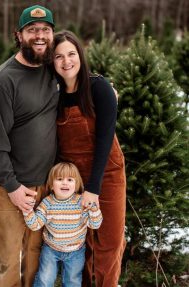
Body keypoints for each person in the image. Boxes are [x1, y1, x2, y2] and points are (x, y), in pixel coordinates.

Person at [0, 5, 59, 287]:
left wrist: (103, 87)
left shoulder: (54, 71)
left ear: (52, 35)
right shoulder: (1, 83)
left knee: (36, 263)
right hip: (6, 189)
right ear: (19, 35)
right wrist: (13, 189)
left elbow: (81, 77)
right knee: (7, 263)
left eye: (45, 30)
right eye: (32, 30)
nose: (39, 36)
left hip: (44, 188)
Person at [53, 30, 126, 287]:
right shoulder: (53, 94)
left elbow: (105, 140)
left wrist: (93, 188)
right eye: (58, 56)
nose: (66, 61)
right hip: (72, 179)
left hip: (106, 173)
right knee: (79, 242)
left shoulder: (100, 88)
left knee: (110, 240)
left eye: (71, 54)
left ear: (80, 55)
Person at [24, 162, 102, 286]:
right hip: (51, 249)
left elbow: (94, 224)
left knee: (73, 281)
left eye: (70, 179)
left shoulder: (81, 202)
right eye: (60, 179)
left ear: (76, 184)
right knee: (44, 279)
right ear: (51, 185)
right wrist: (27, 211)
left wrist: (94, 208)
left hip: (76, 250)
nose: (65, 183)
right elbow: (36, 225)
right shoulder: (47, 203)